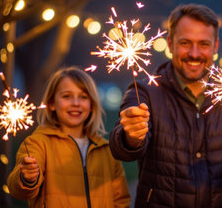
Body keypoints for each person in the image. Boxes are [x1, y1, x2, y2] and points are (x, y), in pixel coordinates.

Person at [109, 3, 222, 207]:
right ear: (170, 43)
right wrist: (131, 136)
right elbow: (121, 149)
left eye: (204, 44)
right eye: (185, 43)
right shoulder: (145, 92)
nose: (195, 54)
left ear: (215, 46)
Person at [7, 66, 131, 208]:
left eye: (83, 97)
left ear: (91, 105)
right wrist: (26, 178)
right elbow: (18, 191)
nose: (76, 103)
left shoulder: (107, 150)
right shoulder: (37, 143)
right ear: (52, 103)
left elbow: (122, 200)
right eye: (67, 96)